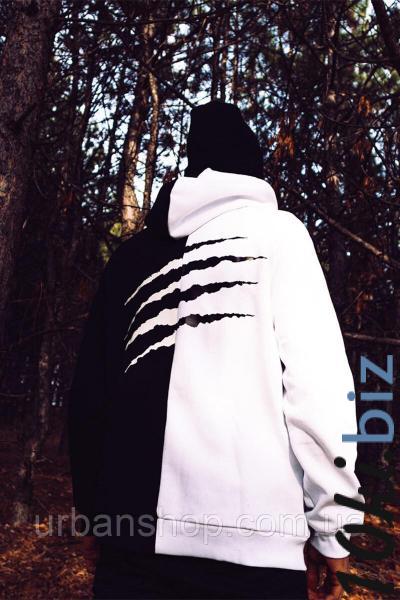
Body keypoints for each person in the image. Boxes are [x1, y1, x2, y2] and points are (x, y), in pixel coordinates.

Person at [68, 100, 364, 599]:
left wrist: (96, 517)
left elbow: (90, 398)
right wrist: (334, 530)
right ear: (253, 169)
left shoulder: (131, 258)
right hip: (255, 551)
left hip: (132, 546)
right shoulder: (280, 236)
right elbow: (320, 389)